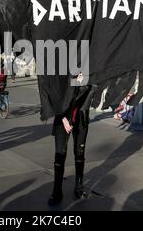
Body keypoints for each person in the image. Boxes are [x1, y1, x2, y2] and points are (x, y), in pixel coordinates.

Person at [48, 73, 91, 206]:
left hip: (81, 118)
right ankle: (57, 191)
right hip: (63, 119)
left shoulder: (88, 73)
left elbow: (91, 92)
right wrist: (63, 119)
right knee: (60, 154)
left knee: (80, 153)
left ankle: (79, 187)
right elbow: (55, 96)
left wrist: (83, 83)